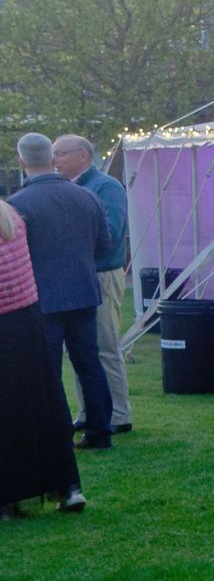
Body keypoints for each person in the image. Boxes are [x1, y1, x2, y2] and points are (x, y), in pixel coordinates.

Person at [10, 134, 114, 450]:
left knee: (48, 370)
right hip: (83, 293)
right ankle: (99, 432)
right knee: (89, 365)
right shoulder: (87, 197)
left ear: (21, 162)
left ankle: (54, 436)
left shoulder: (16, 206)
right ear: (53, 160)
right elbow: (104, 247)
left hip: (41, 299)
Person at [0, 198, 85, 515]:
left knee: (7, 412)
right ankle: (68, 486)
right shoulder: (10, 215)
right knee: (43, 402)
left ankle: (9, 494)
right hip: (27, 317)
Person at [52, 134, 132, 435]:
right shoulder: (72, 188)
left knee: (104, 346)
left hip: (101, 274)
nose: (55, 160)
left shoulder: (106, 187)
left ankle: (120, 414)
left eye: (61, 153)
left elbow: (109, 235)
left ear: (83, 155)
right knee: (80, 349)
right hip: (79, 275)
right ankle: (90, 411)